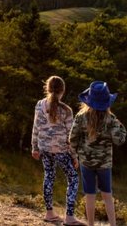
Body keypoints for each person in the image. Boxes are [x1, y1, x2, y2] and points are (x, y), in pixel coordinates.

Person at [69, 81, 127, 226]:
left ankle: (90, 224)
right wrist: (121, 126)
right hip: (104, 163)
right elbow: (119, 140)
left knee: (90, 195)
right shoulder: (111, 119)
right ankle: (113, 224)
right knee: (107, 195)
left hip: (86, 162)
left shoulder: (80, 117)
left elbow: (72, 139)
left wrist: (75, 155)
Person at [31, 76, 84, 225]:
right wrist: (74, 157)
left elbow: (36, 128)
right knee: (73, 178)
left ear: (47, 88)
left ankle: (49, 213)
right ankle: (69, 216)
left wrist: (35, 147)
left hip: (44, 148)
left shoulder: (39, 105)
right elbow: (70, 137)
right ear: (63, 90)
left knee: (49, 176)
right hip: (61, 150)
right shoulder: (66, 110)